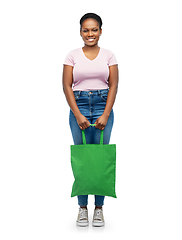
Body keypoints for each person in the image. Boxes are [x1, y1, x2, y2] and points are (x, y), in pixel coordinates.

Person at [62, 13, 119, 227]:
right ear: (80, 32)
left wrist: (105, 113)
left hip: (103, 104)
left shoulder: (109, 55)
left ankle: (99, 209)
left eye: (94, 29)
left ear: (101, 31)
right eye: (85, 30)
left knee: (101, 157)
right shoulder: (72, 55)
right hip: (79, 106)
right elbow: (67, 85)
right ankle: (82, 208)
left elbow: (113, 85)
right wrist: (78, 114)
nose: (90, 34)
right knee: (83, 157)